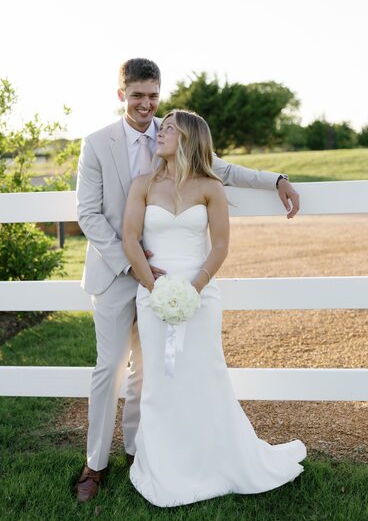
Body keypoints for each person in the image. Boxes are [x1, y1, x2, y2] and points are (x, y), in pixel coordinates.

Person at [75, 57, 300, 502]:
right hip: (118, 272)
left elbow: (222, 170)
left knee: (149, 373)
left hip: (175, 278)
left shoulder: (174, 130)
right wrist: (133, 264)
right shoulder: (97, 143)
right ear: (122, 94)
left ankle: (143, 453)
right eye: (137, 95)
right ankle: (94, 465)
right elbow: (87, 213)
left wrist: (274, 179)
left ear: (159, 93)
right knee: (110, 369)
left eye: (152, 95)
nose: (146, 104)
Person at [122, 109, 306, 507]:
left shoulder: (210, 186)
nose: (160, 132)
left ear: (187, 138)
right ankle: (165, 463)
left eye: (169, 128)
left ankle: (214, 459)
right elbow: (130, 240)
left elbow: (221, 245)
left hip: (201, 294)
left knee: (204, 374)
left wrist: (194, 288)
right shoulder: (143, 184)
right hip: (153, 294)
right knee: (161, 377)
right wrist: (157, 289)